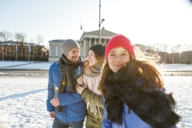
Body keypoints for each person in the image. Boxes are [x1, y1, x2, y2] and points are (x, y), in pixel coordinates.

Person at [98, 34, 181, 128]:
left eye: (123, 54)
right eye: (112, 54)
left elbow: (166, 123)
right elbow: (108, 121)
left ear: (131, 57)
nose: (117, 60)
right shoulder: (109, 85)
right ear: (107, 59)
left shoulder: (147, 83)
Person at [46, 39, 87, 128]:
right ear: (66, 52)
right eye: (73, 51)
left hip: (77, 115)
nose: (77, 54)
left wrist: (60, 100)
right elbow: (51, 88)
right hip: (59, 114)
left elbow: (83, 93)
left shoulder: (83, 68)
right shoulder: (54, 67)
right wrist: (50, 107)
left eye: (78, 51)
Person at [76, 44, 105, 128]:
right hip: (91, 117)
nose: (88, 58)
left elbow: (105, 102)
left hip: (103, 119)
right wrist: (79, 82)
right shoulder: (87, 73)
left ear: (99, 56)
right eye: (88, 55)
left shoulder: (107, 75)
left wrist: (84, 93)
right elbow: (81, 89)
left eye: (91, 55)